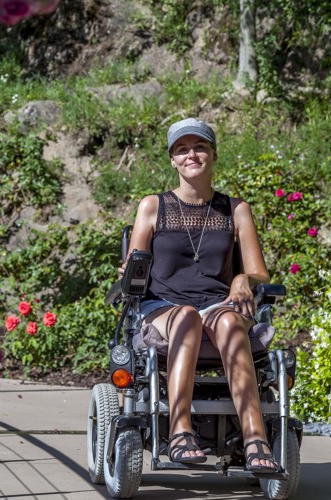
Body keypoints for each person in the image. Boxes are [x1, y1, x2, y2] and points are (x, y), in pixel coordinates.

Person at [122, 117, 279, 472]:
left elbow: (259, 272)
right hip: (163, 306)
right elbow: (133, 265)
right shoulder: (153, 206)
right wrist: (128, 270)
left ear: (213, 154)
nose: (191, 154)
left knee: (230, 324)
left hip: (218, 304)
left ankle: (256, 439)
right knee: (187, 316)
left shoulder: (235, 210)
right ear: (173, 160)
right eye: (182, 149)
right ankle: (180, 431)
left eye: (199, 147)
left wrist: (242, 278)